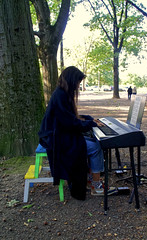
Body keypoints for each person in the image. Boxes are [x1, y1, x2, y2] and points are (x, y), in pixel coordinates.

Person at [38, 66, 116, 200]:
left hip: (58, 134)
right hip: (55, 138)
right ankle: (96, 186)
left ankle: (90, 179)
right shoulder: (60, 96)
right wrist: (91, 124)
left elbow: (70, 118)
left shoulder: (61, 93)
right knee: (95, 147)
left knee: (91, 142)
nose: (78, 86)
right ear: (71, 81)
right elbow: (70, 123)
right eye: (78, 83)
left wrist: (88, 119)